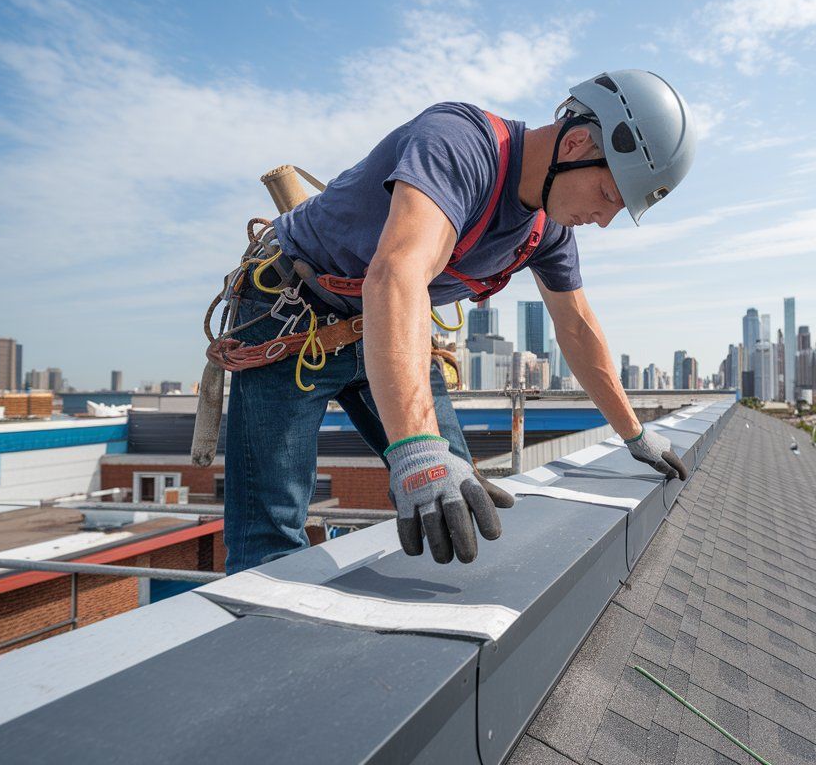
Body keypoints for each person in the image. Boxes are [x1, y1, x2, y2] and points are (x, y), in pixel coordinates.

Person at [219, 69, 696, 573]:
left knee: (457, 495)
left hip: (386, 329)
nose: (604, 220)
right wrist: (418, 449)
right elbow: (397, 272)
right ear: (576, 144)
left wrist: (634, 434)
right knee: (269, 535)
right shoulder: (459, 143)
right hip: (290, 321)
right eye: (608, 196)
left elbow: (577, 327)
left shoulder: (546, 231)